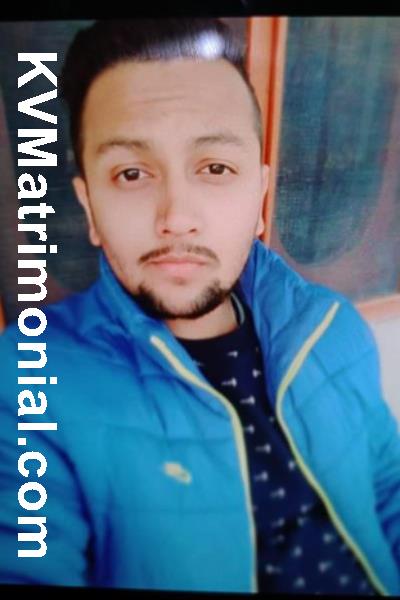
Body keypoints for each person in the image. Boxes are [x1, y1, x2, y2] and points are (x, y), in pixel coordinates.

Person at [0, 18, 399, 595]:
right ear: (89, 208)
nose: (177, 217)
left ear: (259, 196)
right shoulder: (27, 378)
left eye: (215, 168)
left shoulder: (332, 326)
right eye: (131, 173)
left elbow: (386, 491)